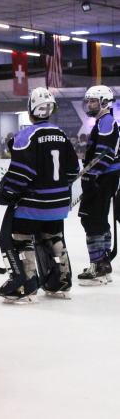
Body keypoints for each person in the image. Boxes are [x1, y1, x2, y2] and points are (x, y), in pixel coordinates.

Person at [0, 88, 79, 303]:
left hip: (33, 203)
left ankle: (25, 286)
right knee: (53, 238)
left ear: (30, 111)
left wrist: (3, 194)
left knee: (20, 239)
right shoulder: (62, 135)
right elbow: (73, 171)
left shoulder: (25, 135)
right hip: (58, 203)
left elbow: (20, 175)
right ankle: (60, 282)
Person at [78, 86, 120, 285]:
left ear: (104, 101)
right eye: (89, 101)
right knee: (100, 219)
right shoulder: (104, 122)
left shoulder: (106, 121)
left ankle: (98, 267)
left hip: (103, 177)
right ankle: (103, 264)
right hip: (106, 177)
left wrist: (91, 176)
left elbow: (104, 155)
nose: (90, 104)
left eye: (94, 101)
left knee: (91, 219)